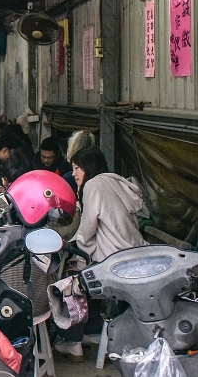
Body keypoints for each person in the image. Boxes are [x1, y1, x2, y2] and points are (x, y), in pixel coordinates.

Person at [55, 146, 147, 361]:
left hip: (113, 264)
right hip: (134, 256)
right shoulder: (116, 182)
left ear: (90, 168)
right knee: (86, 273)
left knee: (70, 280)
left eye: (77, 168)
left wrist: (77, 257)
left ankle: (73, 342)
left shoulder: (94, 186)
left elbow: (87, 230)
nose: (74, 174)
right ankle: (93, 332)